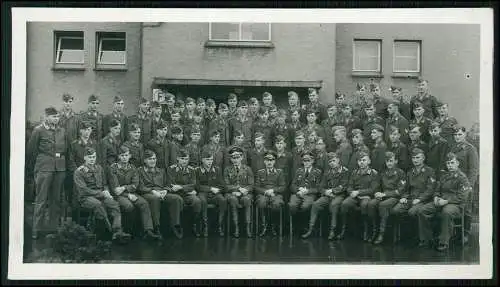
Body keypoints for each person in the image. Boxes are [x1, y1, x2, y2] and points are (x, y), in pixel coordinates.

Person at [73, 147, 131, 243]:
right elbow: (83, 190)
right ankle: (111, 232)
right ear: (85, 158)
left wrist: (107, 191)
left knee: (114, 204)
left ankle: (117, 230)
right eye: (90, 157)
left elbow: (104, 184)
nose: (92, 159)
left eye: (94, 157)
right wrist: (101, 193)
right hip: (86, 198)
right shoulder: (79, 171)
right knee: (98, 205)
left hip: (101, 195)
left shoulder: (99, 168)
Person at [27, 107, 68, 239]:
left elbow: (66, 149)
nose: (56, 119)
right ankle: (37, 229)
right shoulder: (38, 130)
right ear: (46, 117)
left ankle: (53, 228)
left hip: (59, 169)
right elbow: (31, 151)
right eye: (54, 117)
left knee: (56, 199)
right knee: (41, 199)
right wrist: (36, 169)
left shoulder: (62, 131)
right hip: (44, 168)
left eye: (57, 117)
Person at [417, 152, 471, 251]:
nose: (450, 165)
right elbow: (437, 190)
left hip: (455, 204)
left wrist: (446, 201)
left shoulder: (462, 178)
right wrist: (436, 198)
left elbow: (462, 197)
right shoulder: (444, 176)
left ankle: (443, 242)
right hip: (441, 201)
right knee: (422, 210)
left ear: (457, 163)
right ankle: (428, 239)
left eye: (452, 163)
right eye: (448, 163)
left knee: (446, 212)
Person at [108, 146, 161, 240]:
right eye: (122, 155)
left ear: (130, 156)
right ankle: (128, 231)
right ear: (119, 157)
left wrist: (124, 187)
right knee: (128, 206)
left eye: (126, 155)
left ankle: (148, 231)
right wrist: (127, 193)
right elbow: (115, 189)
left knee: (144, 203)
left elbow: (135, 185)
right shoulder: (113, 168)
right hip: (118, 196)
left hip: (131, 193)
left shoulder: (133, 168)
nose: (124, 157)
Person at [301, 152, 349, 240]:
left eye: (334, 161)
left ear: (338, 160)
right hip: (328, 195)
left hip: (339, 195)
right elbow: (321, 186)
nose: (332, 163)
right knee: (316, 204)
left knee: (334, 205)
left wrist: (333, 191)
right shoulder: (328, 172)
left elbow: (344, 185)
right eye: (330, 161)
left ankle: (332, 230)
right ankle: (311, 229)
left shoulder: (345, 171)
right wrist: (326, 192)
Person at [391, 148, 436, 242]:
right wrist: (404, 197)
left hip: (423, 200)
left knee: (412, 212)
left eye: (418, 157)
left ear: (423, 158)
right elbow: (406, 188)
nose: (415, 160)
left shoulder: (429, 171)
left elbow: (430, 190)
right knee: (396, 210)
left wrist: (420, 199)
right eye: (413, 158)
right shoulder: (410, 172)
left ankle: (421, 237)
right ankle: (406, 235)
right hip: (411, 199)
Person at [138, 150, 184, 239]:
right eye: (150, 159)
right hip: (147, 193)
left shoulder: (161, 171)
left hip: (162, 192)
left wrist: (166, 190)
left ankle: (175, 225)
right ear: (144, 160)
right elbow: (140, 186)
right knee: (154, 199)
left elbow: (168, 184)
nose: (153, 161)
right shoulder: (139, 171)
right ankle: (156, 227)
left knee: (176, 198)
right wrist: (153, 191)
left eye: (154, 158)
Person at [339, 152, 380, 241]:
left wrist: (359, 192)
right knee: (344, 204)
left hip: (367, 196)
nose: (361, 162)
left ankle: (367, 231)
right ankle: (344, 230)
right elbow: (349, 186)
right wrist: (352, 192)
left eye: (364, 160)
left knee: (365, 205)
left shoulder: (374, 173)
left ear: (369, 161)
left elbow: (373, 189)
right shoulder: (354, 172)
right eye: (360, 160)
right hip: (355, 196)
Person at [449, 126, 479, 242]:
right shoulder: (453, 148)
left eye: (459, 134)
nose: (457, 137)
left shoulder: (470, 149)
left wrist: (470, 185)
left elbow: (473, 169)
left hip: (465, 183)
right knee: (456, 206)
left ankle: (465, 233)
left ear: (465, 134)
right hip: (454, 183)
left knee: (466, 208)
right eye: (455, 135)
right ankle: (456, 233)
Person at [369, 151, 406, 244]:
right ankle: (374, 230)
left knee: (383, 205)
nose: (389, 163)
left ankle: (381, 233)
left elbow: (400, 191)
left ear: (396, 161)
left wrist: (385, 194)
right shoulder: (383, 172)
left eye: (391, 161)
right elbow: (377, 185)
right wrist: (377, 193)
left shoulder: (400, 173)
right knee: (371, 204)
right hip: (383, 195)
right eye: (387, 161)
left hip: (395, 197)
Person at [167, 149, 202, 237]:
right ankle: (176, 226)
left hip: (187, 194)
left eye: (186, 159)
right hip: (175, 194)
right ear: (178, 158)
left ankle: (194, 224)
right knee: (177, 201)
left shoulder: (191, 170)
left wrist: (181, 187)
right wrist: (186, 188)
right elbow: (171, 184)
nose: (184, 161)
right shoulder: (171, 169)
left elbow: (193, 185)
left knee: (197, 201)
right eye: (182, 158)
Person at [288, 151, 322, 234]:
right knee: (292, 205)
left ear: (312, 161)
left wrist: (307, 191)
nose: (306, 162)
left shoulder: (317, 172)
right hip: (298, 193)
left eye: (308, 160)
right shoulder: (298, 171)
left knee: (306, 206)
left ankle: (305, 226)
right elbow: (292, 185)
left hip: (310, 195)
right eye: (304, 161)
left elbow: (318, 188)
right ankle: (296, 226)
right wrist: (299, 190)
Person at [224, 146, 255, 238]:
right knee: (233, 200)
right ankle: (236, 227)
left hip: (245, 193)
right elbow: (226, 185)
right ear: (230, 158)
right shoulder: (227, 169)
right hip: (231, 193)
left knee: (246, 200)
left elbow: (251, 185)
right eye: (233, 158)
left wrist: (242, 191)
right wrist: (236, 190)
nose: (236, 160)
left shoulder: (247, 169)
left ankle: (247, 227)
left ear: (242, 157)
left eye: (238, 157)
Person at [255, 150, 286, 237]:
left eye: (271, 160)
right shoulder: (260, 172)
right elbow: (256, 187)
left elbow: (283, 186)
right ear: (264, 161)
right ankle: (264, 226)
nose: (269, 162)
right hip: (263, 194)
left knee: (277, 204)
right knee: (261, 203)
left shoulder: (279, 172)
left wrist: (273, 190)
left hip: (275, 194)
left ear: (274, 161)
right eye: (267, 160)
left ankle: (273, 226)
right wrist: (265, 191)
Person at [196, 151, 227, 237]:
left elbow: (223, 186)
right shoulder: (197, 170)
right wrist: (210, 189)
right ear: (202, 160)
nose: (210, 162)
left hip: (215, 194)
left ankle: (219, 226)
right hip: (203, 193)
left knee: (223, 200)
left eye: (211, 159)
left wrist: (218, 190)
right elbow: (197, 186)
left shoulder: (217, 170)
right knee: (202, 201)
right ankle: (205, 226)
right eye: (207, 159)